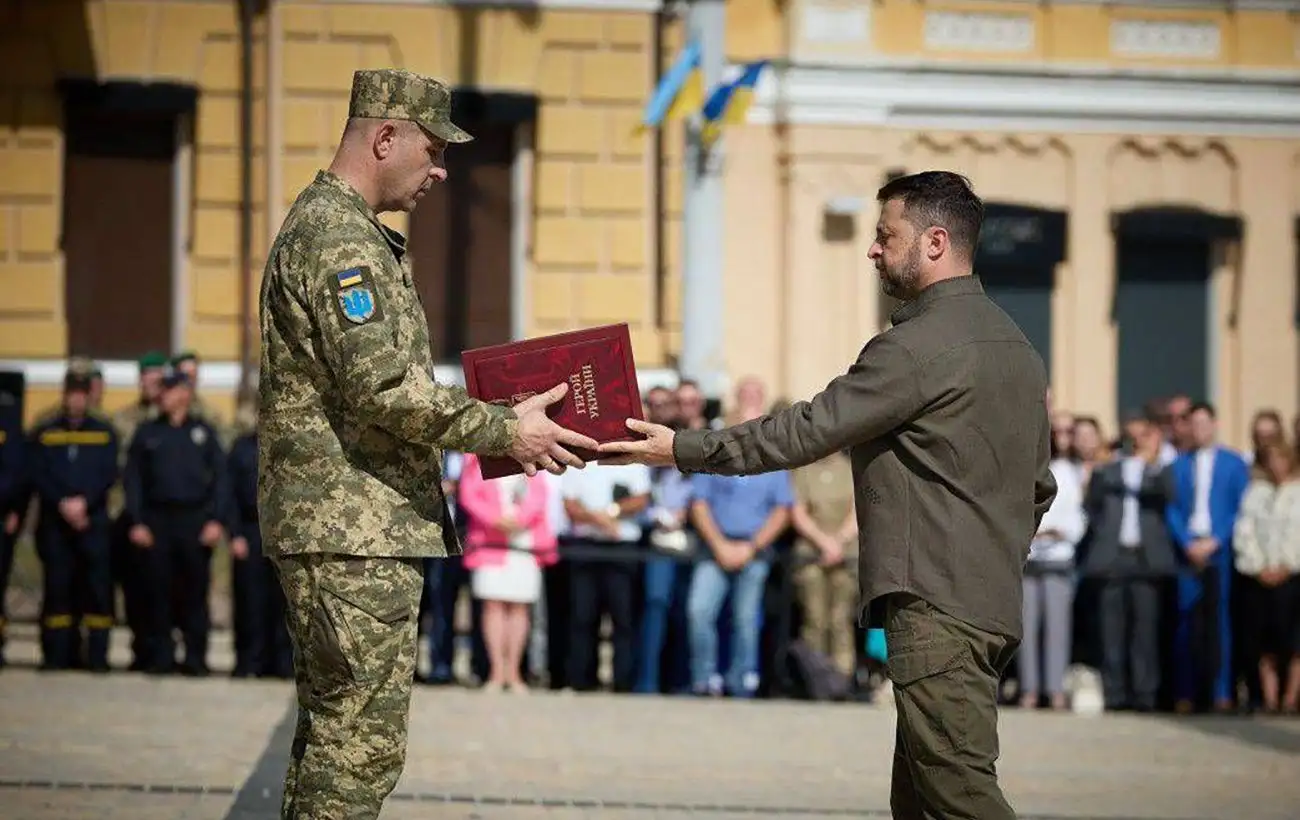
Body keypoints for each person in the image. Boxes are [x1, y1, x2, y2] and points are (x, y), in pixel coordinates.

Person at [600, 170, 1055, 820]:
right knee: (921, 800)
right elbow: (1038, 485)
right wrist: (989, 555)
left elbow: (804, 431)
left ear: (933, 242)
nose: (873, 250)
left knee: (959, 796)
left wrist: (682, 449)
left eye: (884, 236)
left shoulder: (917, 347)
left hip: (935, 604)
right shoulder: (1019, 348)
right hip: (988, 602)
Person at [256, 68, 598, 820]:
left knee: (334, 737)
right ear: (385, 137)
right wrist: (508, 428)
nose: (441, 171)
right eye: (434, 150)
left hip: (349, 528)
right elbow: (383, 390)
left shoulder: (339, 229)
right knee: (358, 749)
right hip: (353, 531)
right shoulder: (342, 240)